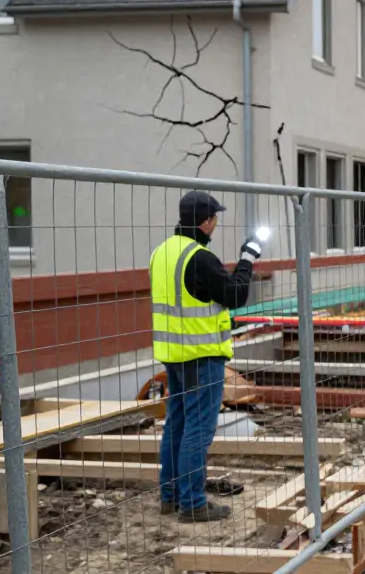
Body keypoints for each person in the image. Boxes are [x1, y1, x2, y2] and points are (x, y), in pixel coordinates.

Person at [151, 191, 262, 522]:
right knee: (198, 429)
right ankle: (193, 503)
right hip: (201, 356)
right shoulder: (199, 257)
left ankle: (170, 495)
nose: (216, 223)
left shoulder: (162, 252)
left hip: (173, 354)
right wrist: (248, 258)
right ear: (206, 222)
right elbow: (236, 294)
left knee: (178, 423)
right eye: (215, 218)